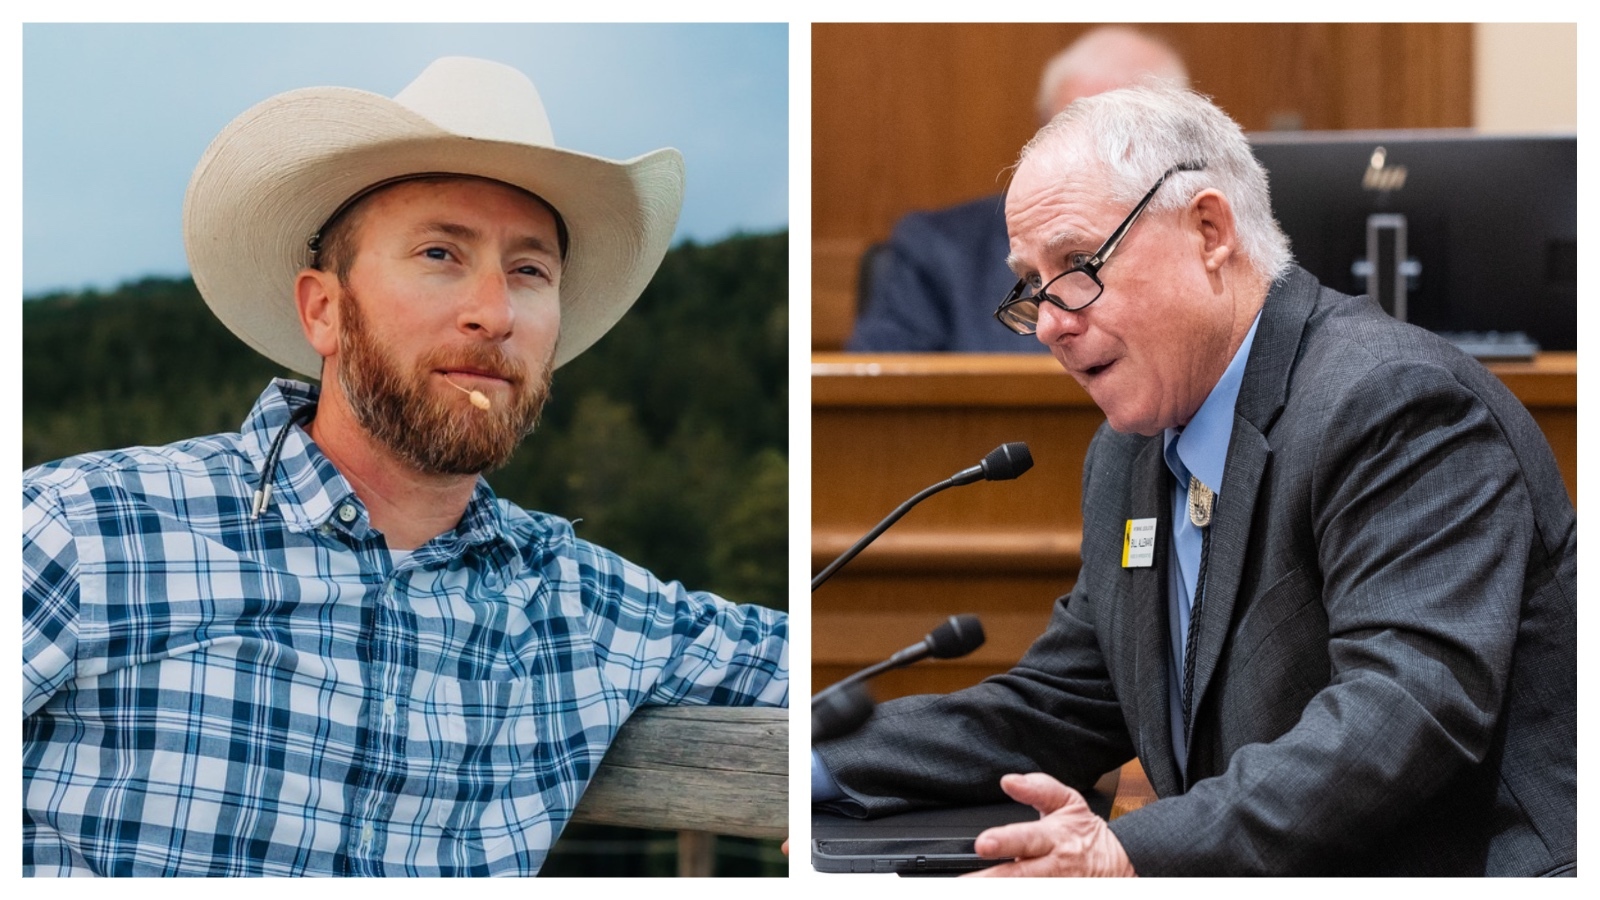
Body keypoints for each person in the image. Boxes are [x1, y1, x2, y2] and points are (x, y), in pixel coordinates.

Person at [23, 57, 789, 877]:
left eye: (530, 272)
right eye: (438, 254)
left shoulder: (583, 604)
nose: (493, 314)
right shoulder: (85, 530)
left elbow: (839, 672)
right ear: (324, 309)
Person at [814, 84, 1575, 876]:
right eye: (1031, 285)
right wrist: (812, 758)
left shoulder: (1390, 401)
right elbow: (1063, 704)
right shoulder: (1132, 450)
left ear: (1210, 230)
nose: (1048, 321)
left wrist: (1127, 852)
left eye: (1078, 266)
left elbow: (1404, 711)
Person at [846, 26, 1189, 352]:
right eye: (1068, 132)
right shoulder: (937, 251)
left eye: (1115, 143)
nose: (1088, 160)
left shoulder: (1199, 248)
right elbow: (875, 399)